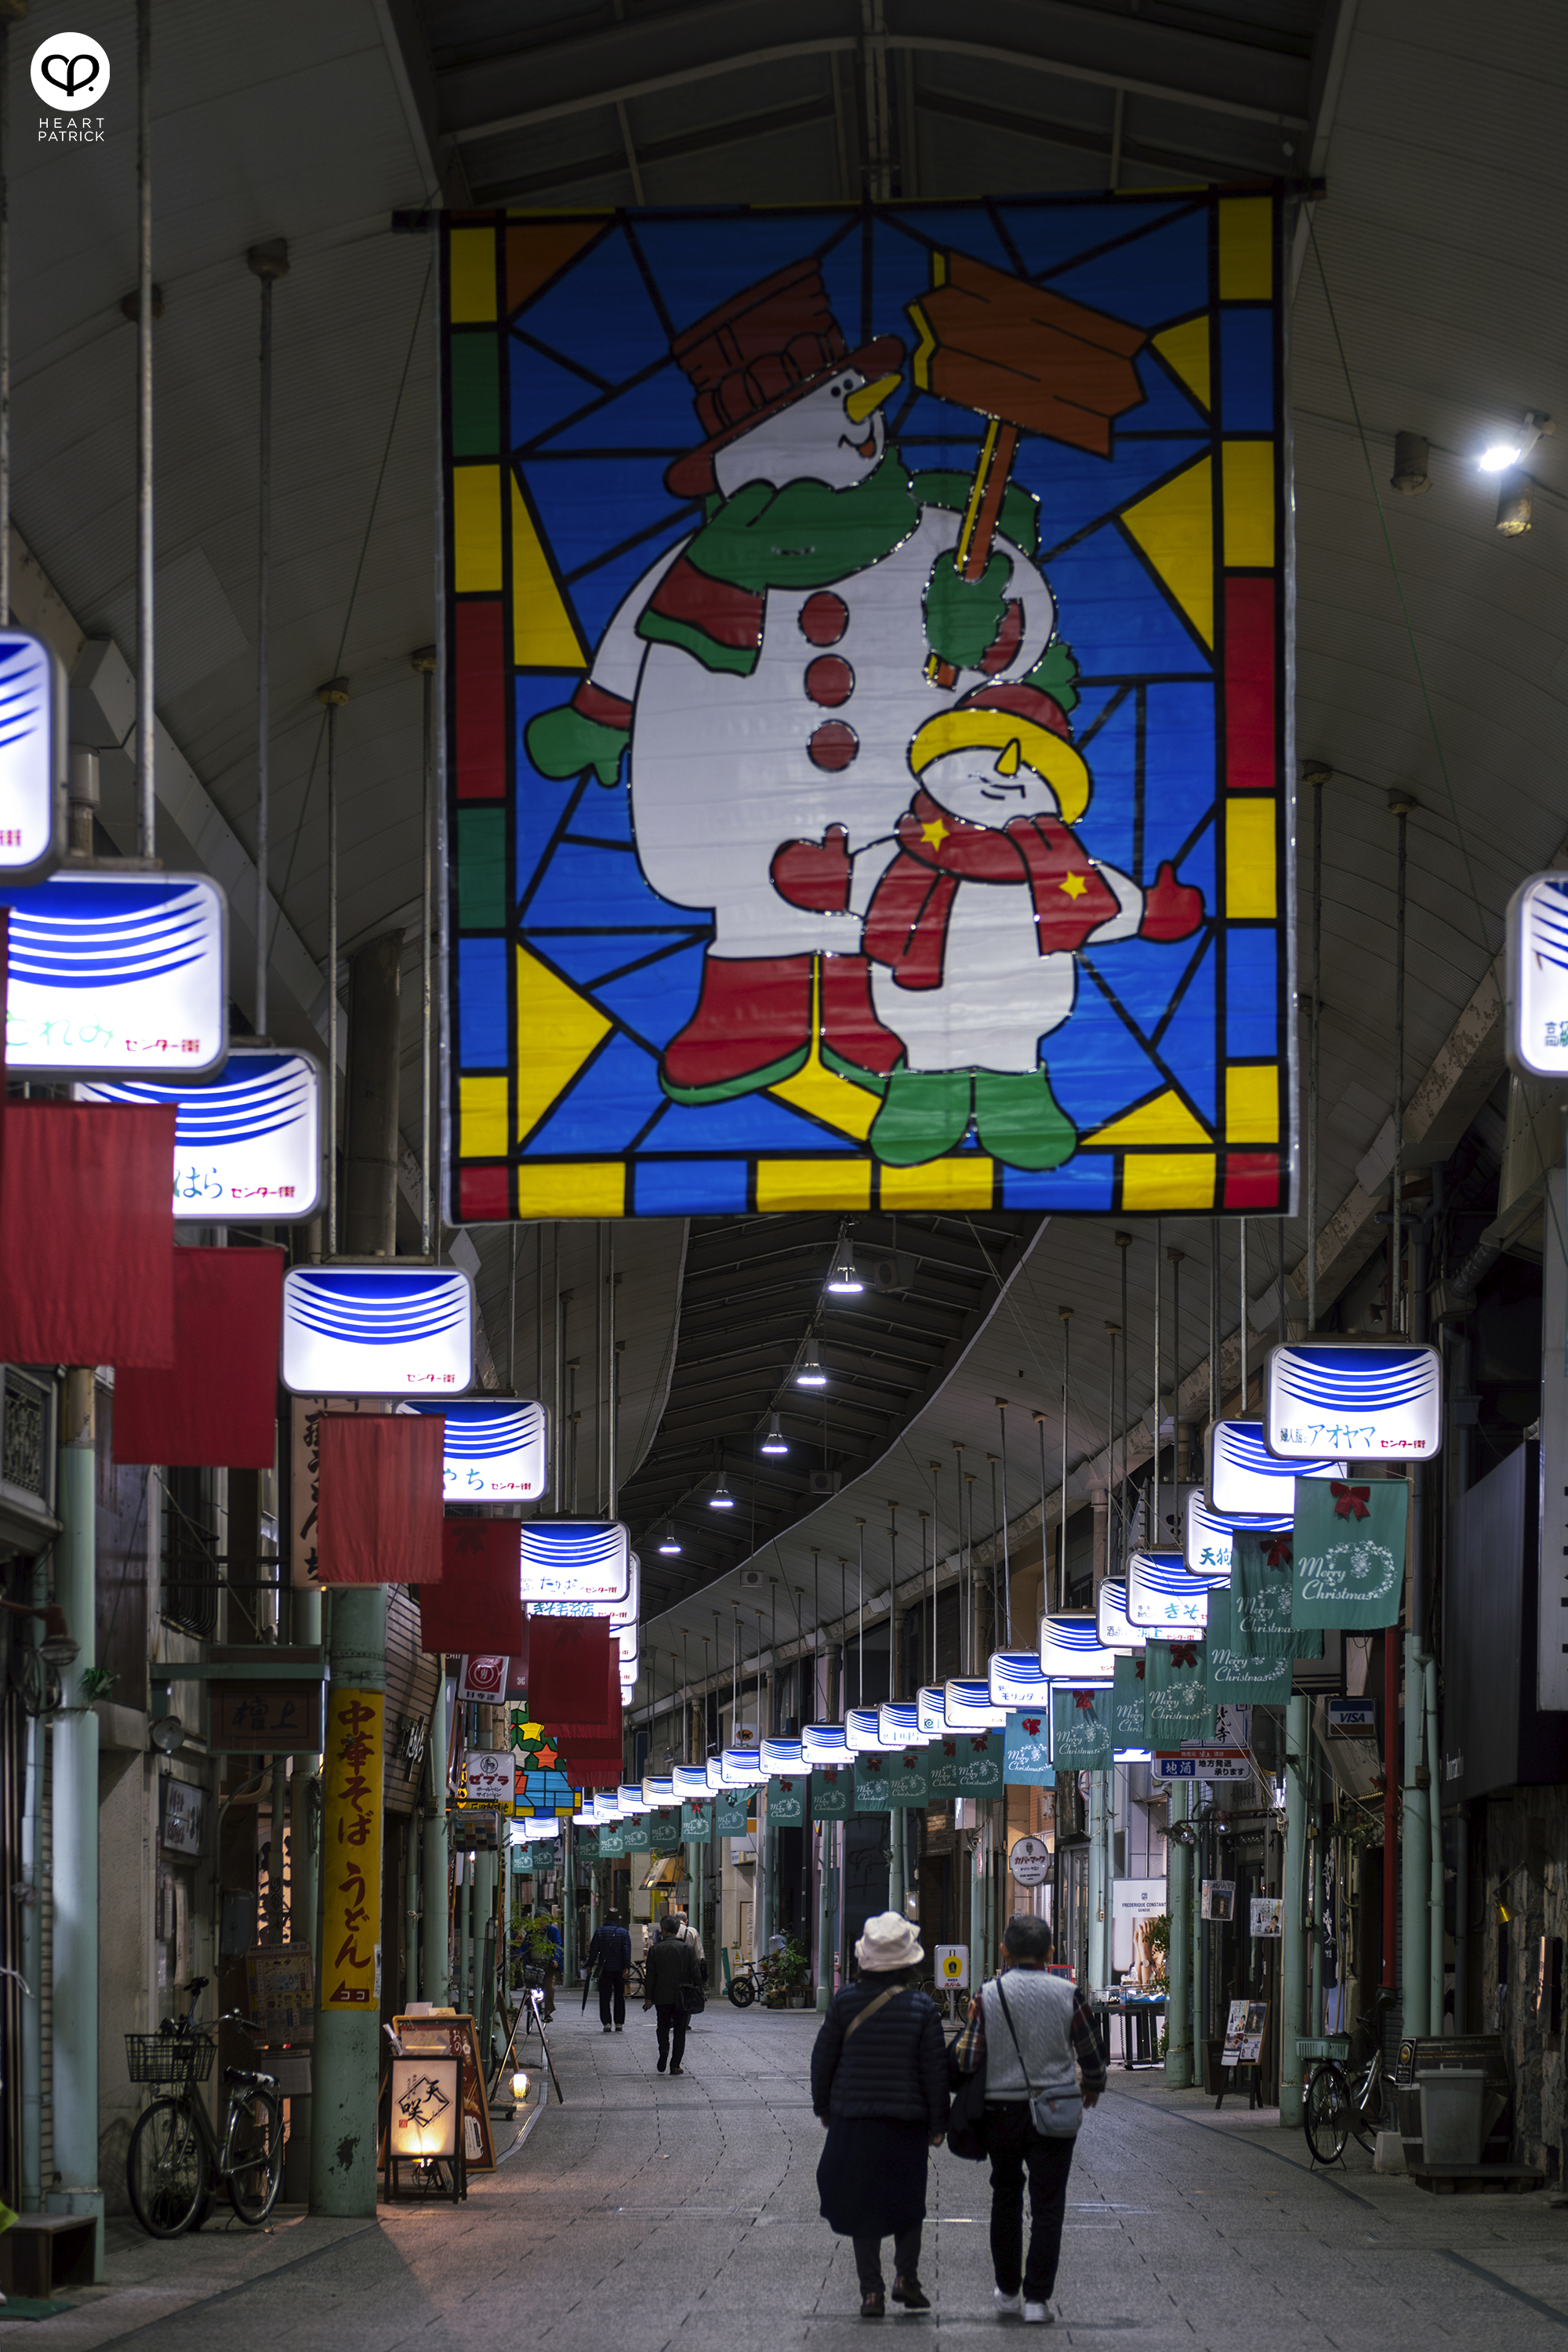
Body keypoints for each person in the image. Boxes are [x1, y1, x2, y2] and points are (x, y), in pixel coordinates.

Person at [953, 1913, 1106, 2324]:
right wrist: (1092, 2084)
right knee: (1048, 2204)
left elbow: (967, 2057)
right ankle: (1038, 2300)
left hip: (1000, 2109)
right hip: (1056, 2106)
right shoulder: (1069, 1993)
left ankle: (1007, 2292)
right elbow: (1091, 2050)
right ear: (1050, 1953)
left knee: (1005, 2195)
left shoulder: (988, 1994)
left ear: (1004, 1951)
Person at [811, 1910, 948, 2319]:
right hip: (905, 2123)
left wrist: (824, 2107)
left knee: (862, 2202)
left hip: (853, 2119)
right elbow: (934, 2070)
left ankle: (871, 2292)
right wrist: (939, 2123)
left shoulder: (844, 2002)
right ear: (909, 1960)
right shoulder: (922, 2006)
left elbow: (823, 2059)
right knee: (908, 2202)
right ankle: (907, 2278)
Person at [642, 1911, 702, 2075]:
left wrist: (648, 1998)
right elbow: (696, 1973)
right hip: (682, 1996)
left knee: (662, 2027)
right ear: (677, 1930)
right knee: (680, 2030)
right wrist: (699, 1988)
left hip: (661, 1997)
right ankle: (675, 2065)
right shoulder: (687, 1949)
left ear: (663, 1930)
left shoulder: (655, 1950)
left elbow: (650, 1977)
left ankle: (663, 2050)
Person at [586, 1908, 632, 2033]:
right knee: (619, 1997)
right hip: (619, 1970)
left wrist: (590, 1965)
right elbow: (627, 1952)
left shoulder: (600, 1932)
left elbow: (594, 1951)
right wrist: (626, 1968)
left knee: (605, 1997)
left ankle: (607, 2023)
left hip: (605, 1970)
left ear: (607, 1919)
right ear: (617, 1920)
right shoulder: (624, 1933)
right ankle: (619, 2023)